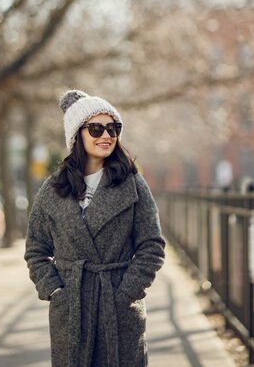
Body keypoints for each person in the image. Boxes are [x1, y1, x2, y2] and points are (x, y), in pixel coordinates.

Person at [24, 89, 165, 367]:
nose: (106, 135)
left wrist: (127, 292)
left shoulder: (132, 184)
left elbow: (152, 246)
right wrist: (55, 291)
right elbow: (36, 250)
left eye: (113, 128)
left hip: (119, 309)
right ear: (77, 135)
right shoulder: (54, 189)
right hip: (72, 309)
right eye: (96, 128)